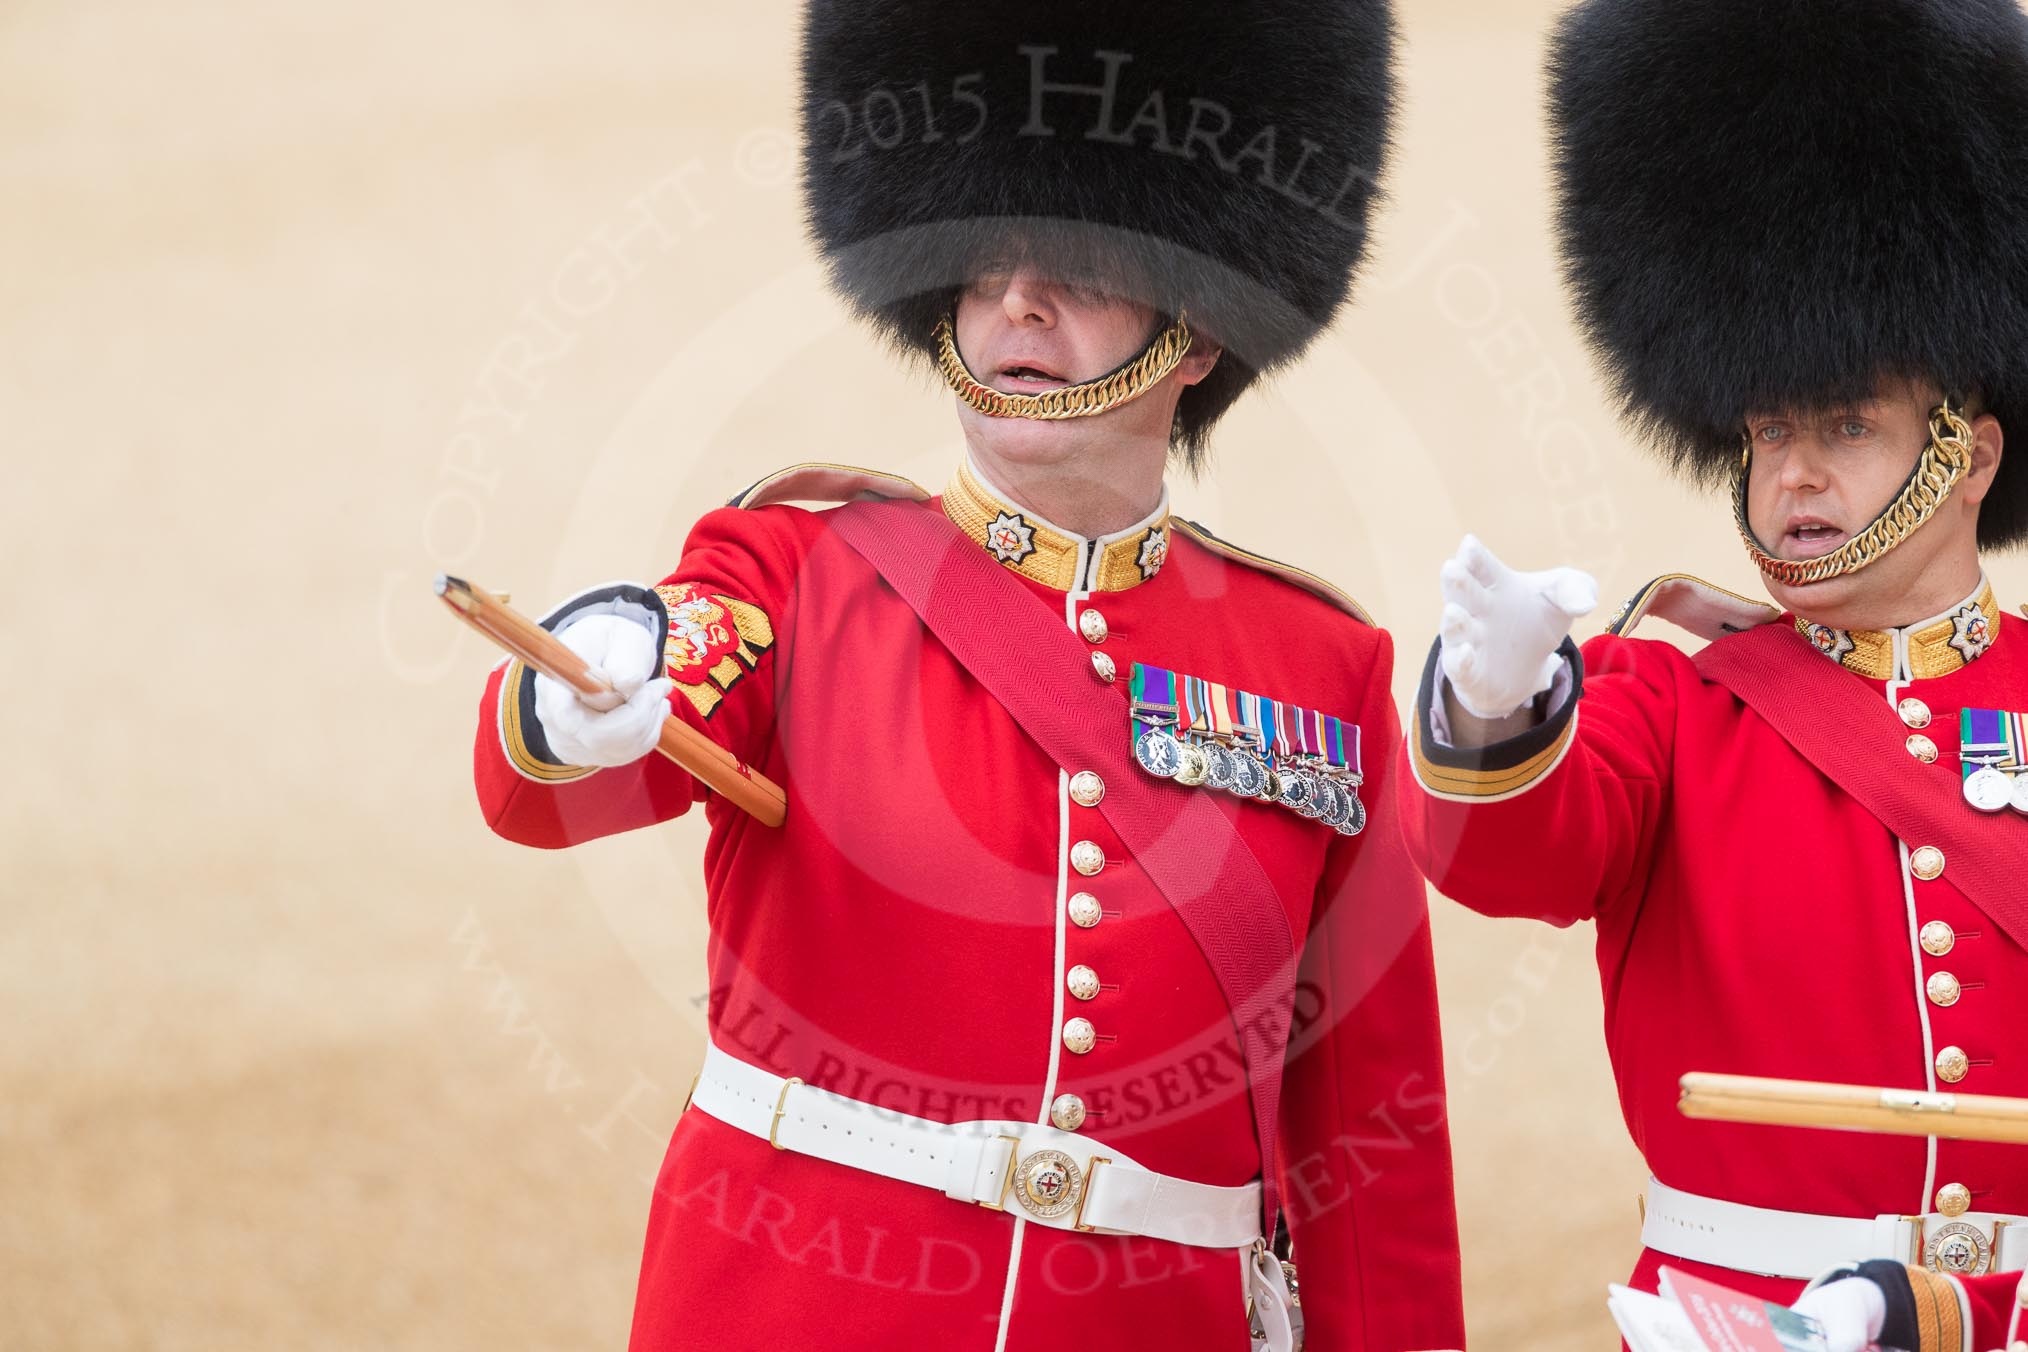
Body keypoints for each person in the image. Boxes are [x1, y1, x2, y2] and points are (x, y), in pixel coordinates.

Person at [471, 3, 1464, 1349]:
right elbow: (559, 782)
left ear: (1202, 327)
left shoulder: (1319, 666)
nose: (1016, 303)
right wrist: (594, 686)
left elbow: (1372, 1142)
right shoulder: (794, 571)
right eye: (986, 261)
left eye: (1080, 265)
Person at [1393, 0, 2028, 1342]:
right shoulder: (1673, 703)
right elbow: (1509, 854)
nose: (1791, 474)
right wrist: (1498, 709)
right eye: (1767, 429)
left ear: (1966, 458)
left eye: (1844, 424)